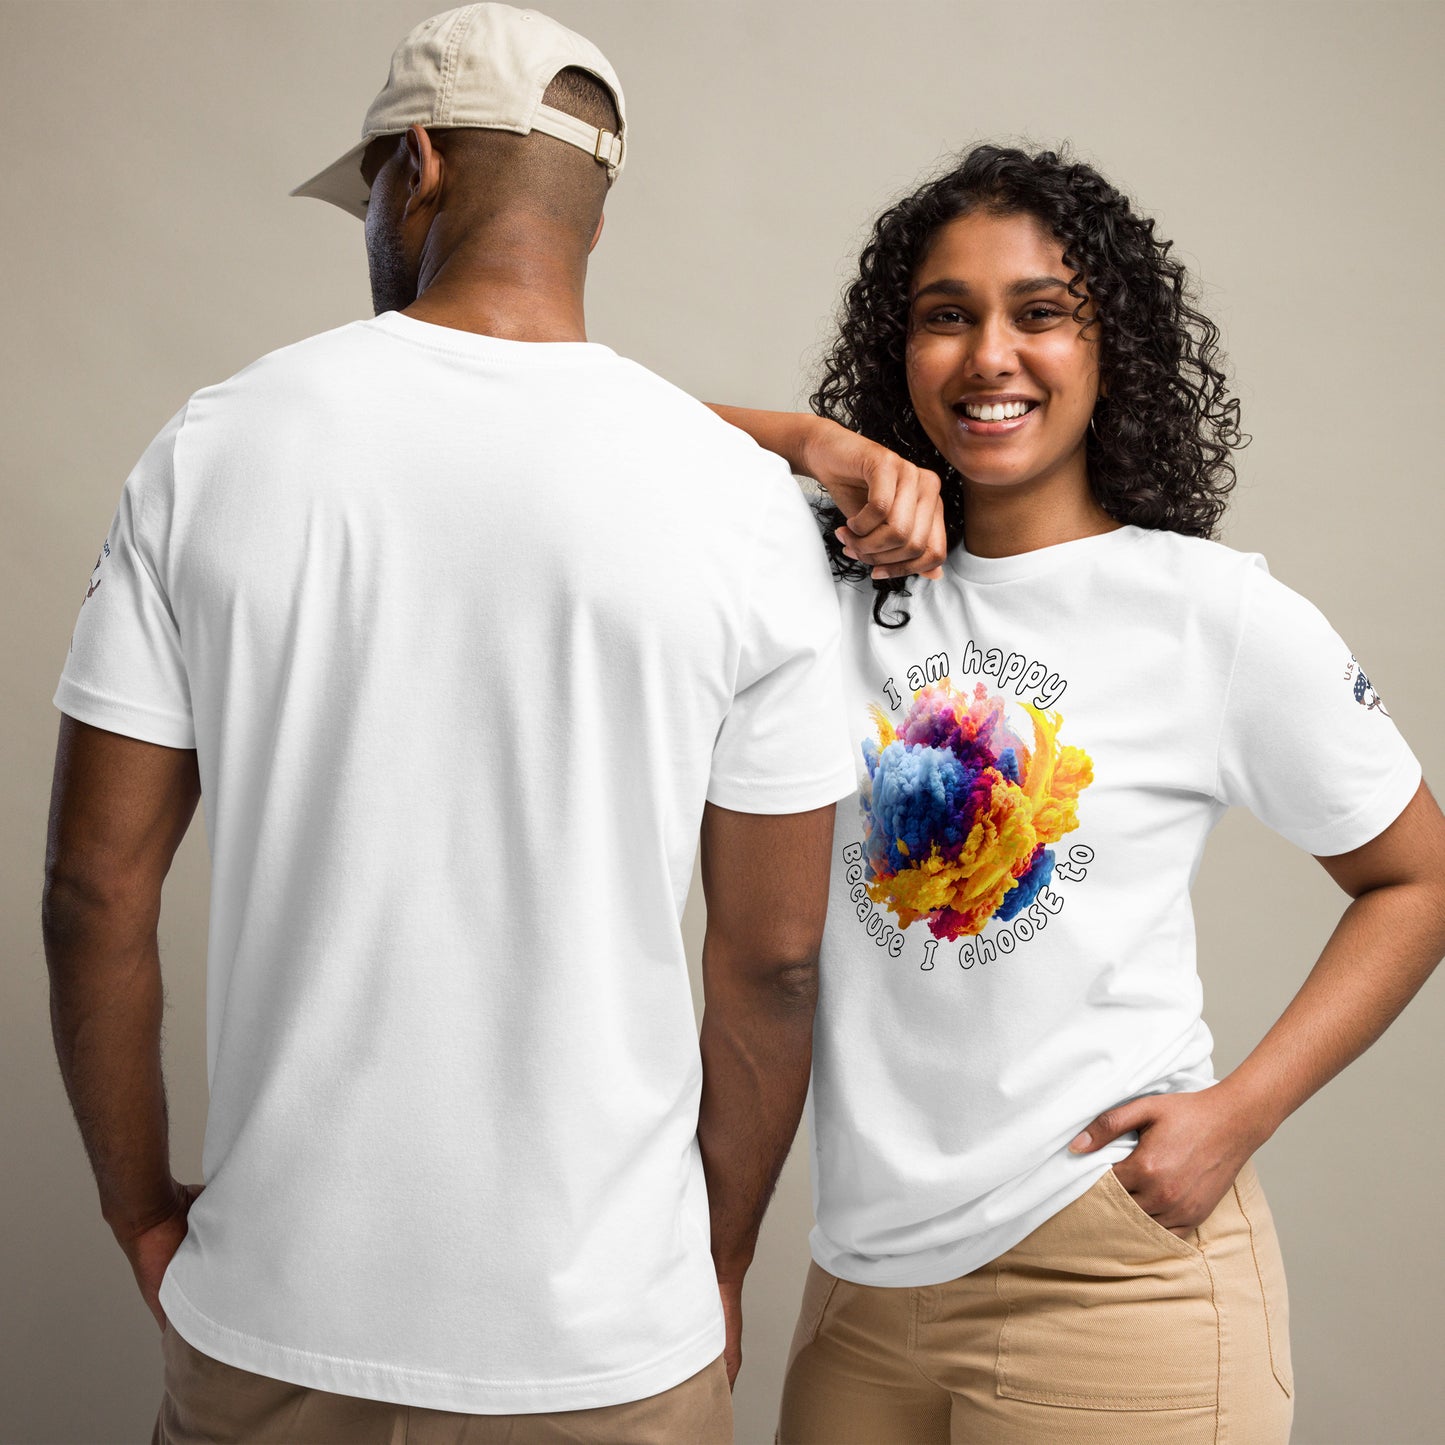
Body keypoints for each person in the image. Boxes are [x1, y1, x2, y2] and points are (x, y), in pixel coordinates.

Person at [40, 6, 858, 1442]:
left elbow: (93, 887)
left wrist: (139, 1211)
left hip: (275, 1316)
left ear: (412, 169)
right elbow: (773, 961)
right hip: (606, 1341)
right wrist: (710, 1266)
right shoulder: (739, 506)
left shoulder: (216, 447)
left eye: (364, 186)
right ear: (593, 215)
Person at [713, 143, 1445, 1443]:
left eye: (1039, 312)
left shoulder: (1205, 612)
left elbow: (1417, 876)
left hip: (1107, 1273)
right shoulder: (818, 586)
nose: (990, 354)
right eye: (947, 316)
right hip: (860, 1283)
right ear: (900, 348)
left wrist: (1239, 1112)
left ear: (1113, 348)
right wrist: (812, 444)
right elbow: (588, 435)